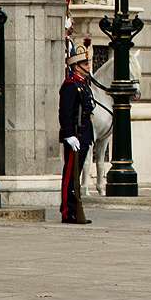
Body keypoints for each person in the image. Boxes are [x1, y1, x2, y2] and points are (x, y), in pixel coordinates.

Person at [58, 47, 95, 224]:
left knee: (76, 174)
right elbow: (65, 113)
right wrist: (68, 135)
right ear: (76, 66)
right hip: (75, 136)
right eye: (85, 63)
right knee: (70, 175)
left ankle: (74, 209)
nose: (88, 66)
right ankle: (67, 211)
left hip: (85, 135)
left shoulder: (83, 84)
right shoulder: (70, 85)